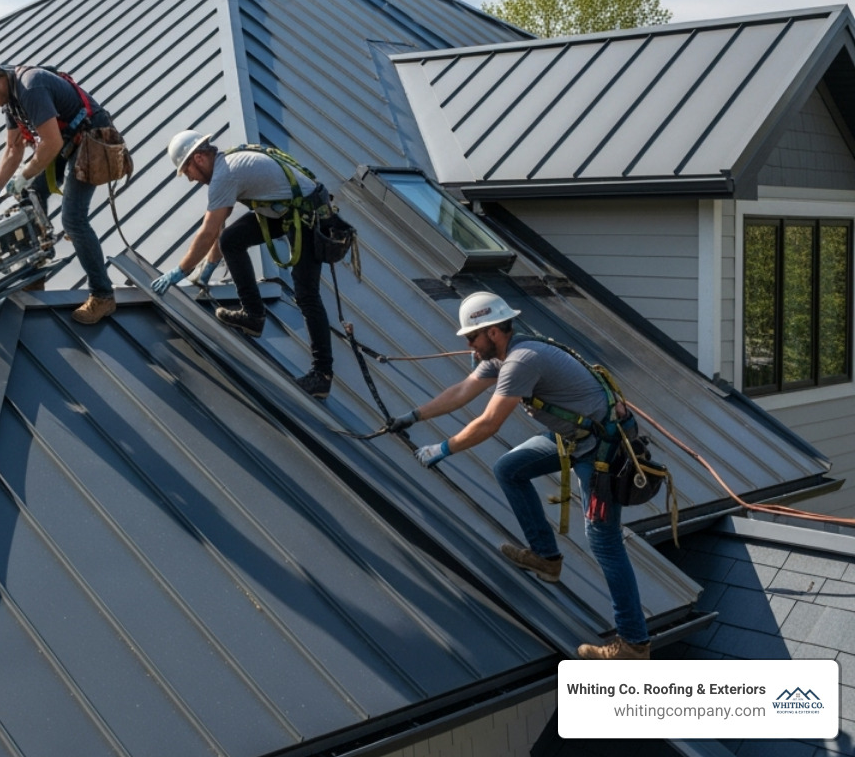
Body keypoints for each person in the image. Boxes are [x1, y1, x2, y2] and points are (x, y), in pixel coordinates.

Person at [392, 291, 650, 659]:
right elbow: (463, 391)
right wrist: (415, 416)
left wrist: (442, 449)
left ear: (493, 332)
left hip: (601, 450)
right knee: (509, 469)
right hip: (575, 439)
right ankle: (546, 558)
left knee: (605, 544)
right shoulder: (502, 355)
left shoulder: (521, 361)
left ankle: (634, 645)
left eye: (472, 337)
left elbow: (488, 423)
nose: (469, 345)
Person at [151, 131, 335, 399]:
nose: (190, 178)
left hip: (307, 216)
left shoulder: (225, 175)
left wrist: (181, 270)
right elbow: (220, 229)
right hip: (286, 210)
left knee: (306, 294)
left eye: (188, 170)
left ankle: (322, 375)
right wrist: (210, 265)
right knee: (233, 239)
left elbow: (207, 230)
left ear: (199, 158)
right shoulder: (228, 163)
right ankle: (253, 316)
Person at [0, 55, 119, 325]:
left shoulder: (30, 86)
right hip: (67, 142)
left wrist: (25, 175)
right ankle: (36, 270)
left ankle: (103, 295)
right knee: (28, 197)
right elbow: (13, 149)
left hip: (91, 138)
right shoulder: (12, 101)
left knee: (73, 220)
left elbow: (52, 143)